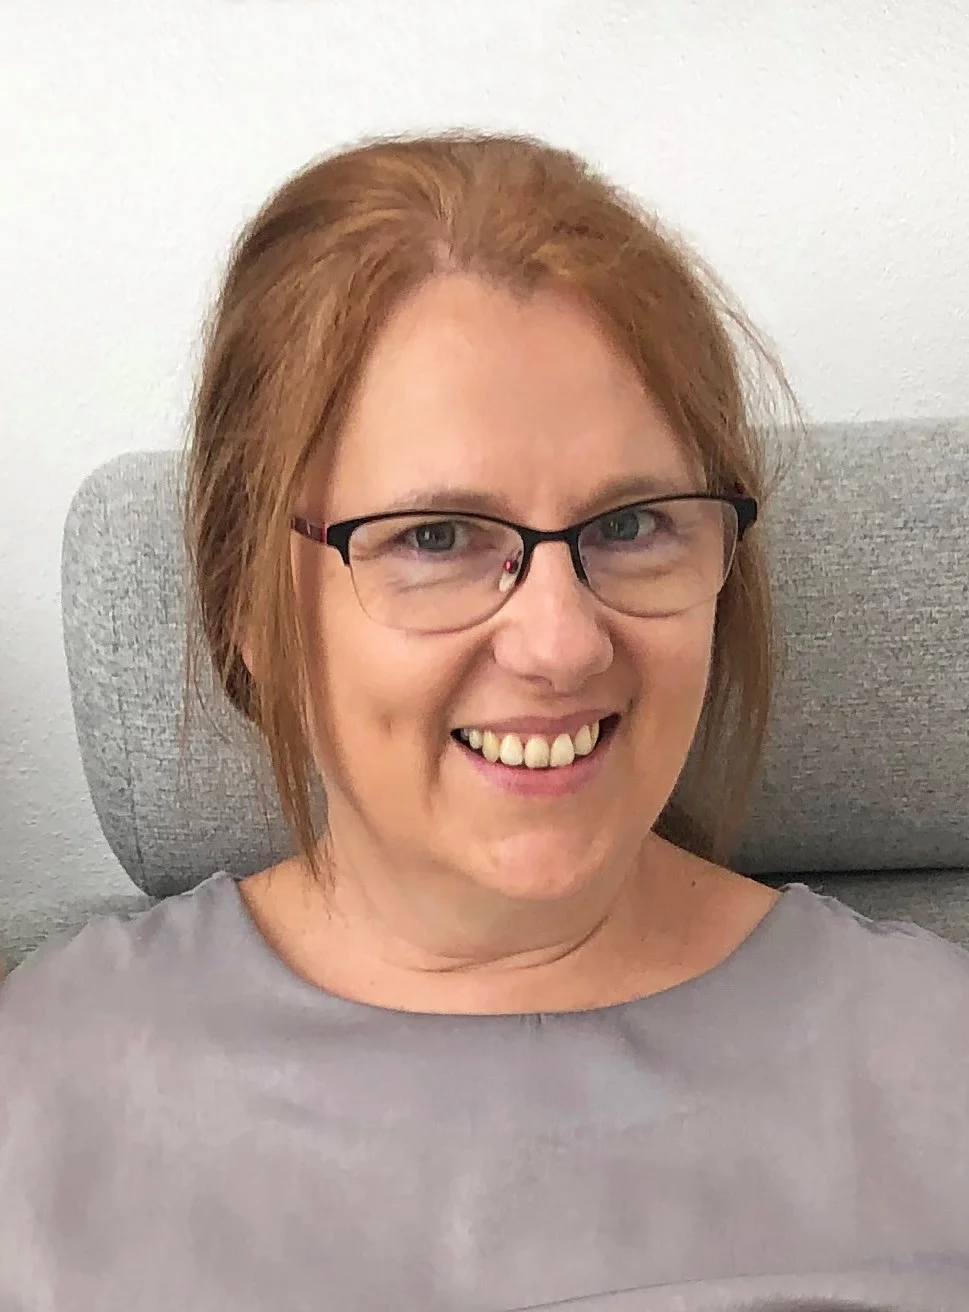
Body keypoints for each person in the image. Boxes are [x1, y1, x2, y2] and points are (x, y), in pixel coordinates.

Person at [1, 131, 968, 1312]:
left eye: (633, 525)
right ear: (253, 603)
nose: (561, 643)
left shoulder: (935, 1067)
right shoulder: (44, 1087)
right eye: (436, 537)